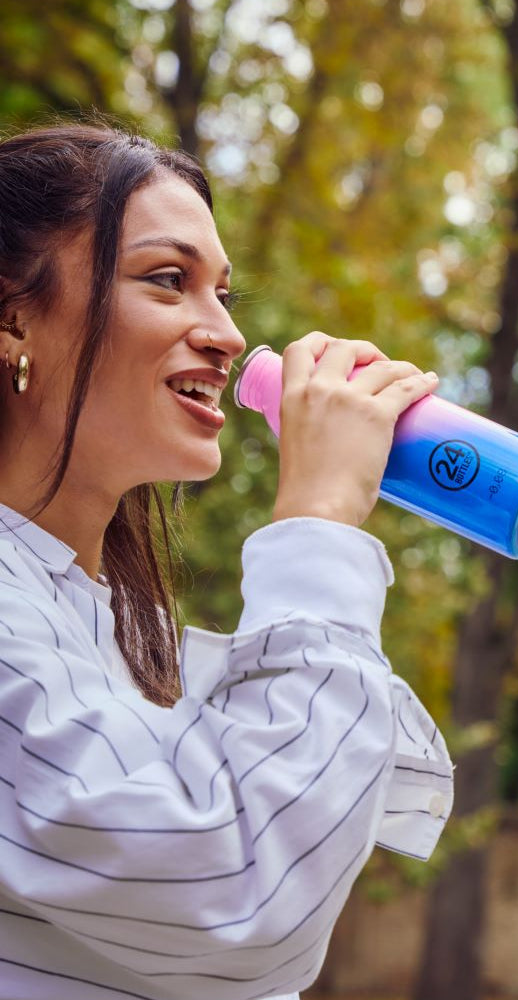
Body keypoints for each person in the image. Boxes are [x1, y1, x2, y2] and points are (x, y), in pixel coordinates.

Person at [0, 122, 452, 1000]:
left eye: (225, 295)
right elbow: (245, 886)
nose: (225, 334)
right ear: (14, 316)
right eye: (168, 281)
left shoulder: (121, 635)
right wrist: (319, 523)